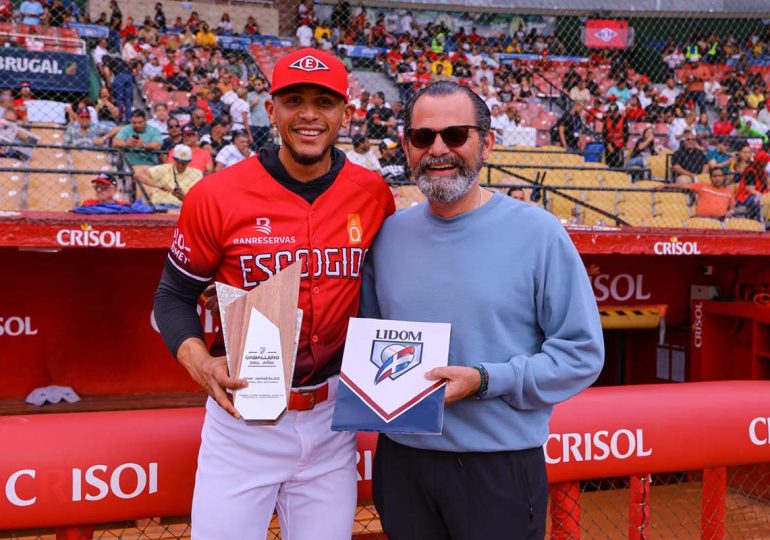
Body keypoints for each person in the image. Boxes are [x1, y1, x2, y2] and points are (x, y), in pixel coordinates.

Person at [152, 48, 395, 538]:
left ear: (346, 113)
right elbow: (172, 297)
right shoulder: (216, 195)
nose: (308, 114)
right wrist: (201, 363)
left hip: (331, 420)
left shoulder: (371, 194)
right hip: (244, 420)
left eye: (324, 102)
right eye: (294, 100)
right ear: (271, 110)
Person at [358, 80, 603, 539]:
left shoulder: (540, 234)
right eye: (422, 137)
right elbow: (369, 340)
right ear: (407, 146)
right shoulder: (388, 235)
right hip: (403, 462)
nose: (438, 149)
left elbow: (581, 355)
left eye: (455, 135)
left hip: (499, 466)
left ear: (486, 143)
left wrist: (486, 380)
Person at [134, 144, 203, 206]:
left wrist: (183, 197)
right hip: (160, 205)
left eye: (184, 163)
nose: (180, 165)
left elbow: (199, 201)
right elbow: (137, 173)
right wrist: (159, 185)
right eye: (178, 162)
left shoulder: (197, 173)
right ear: (174, 159)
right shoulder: (164, 168)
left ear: (189, 161)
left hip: (182, 207)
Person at [735, 150, 769, 220]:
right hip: (746, 196)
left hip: (759, 195)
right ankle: (760, 221)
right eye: (765, 161)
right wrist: (763, 196)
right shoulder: (751, 171)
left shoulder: (762, 171)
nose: (767, 163)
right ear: (761, 162)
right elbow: (750, 190)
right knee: (761, 200)